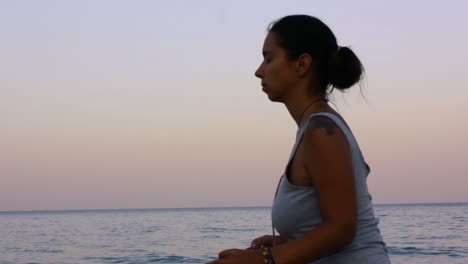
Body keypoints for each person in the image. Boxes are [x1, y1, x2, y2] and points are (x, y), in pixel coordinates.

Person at [206, 15, 390, 264]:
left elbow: (342, 228)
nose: (259, 71)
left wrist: (264, 260)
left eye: (269, 58)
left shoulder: (321, 131)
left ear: (302, 64)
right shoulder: (314, 127)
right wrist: (288, 244)